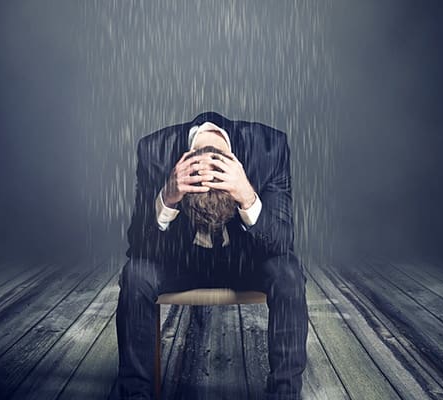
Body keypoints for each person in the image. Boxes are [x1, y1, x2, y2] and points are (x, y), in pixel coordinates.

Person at [110, 111, 309, 400]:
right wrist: (166, 197)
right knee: (136, 273)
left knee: (288, 272)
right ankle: (136, 395)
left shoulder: (269, 147)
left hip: (246, 260)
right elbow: (137, 246)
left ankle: (285, 395)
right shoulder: (155, 150)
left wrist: (248, 197)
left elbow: (282, 242)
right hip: (181, 261)